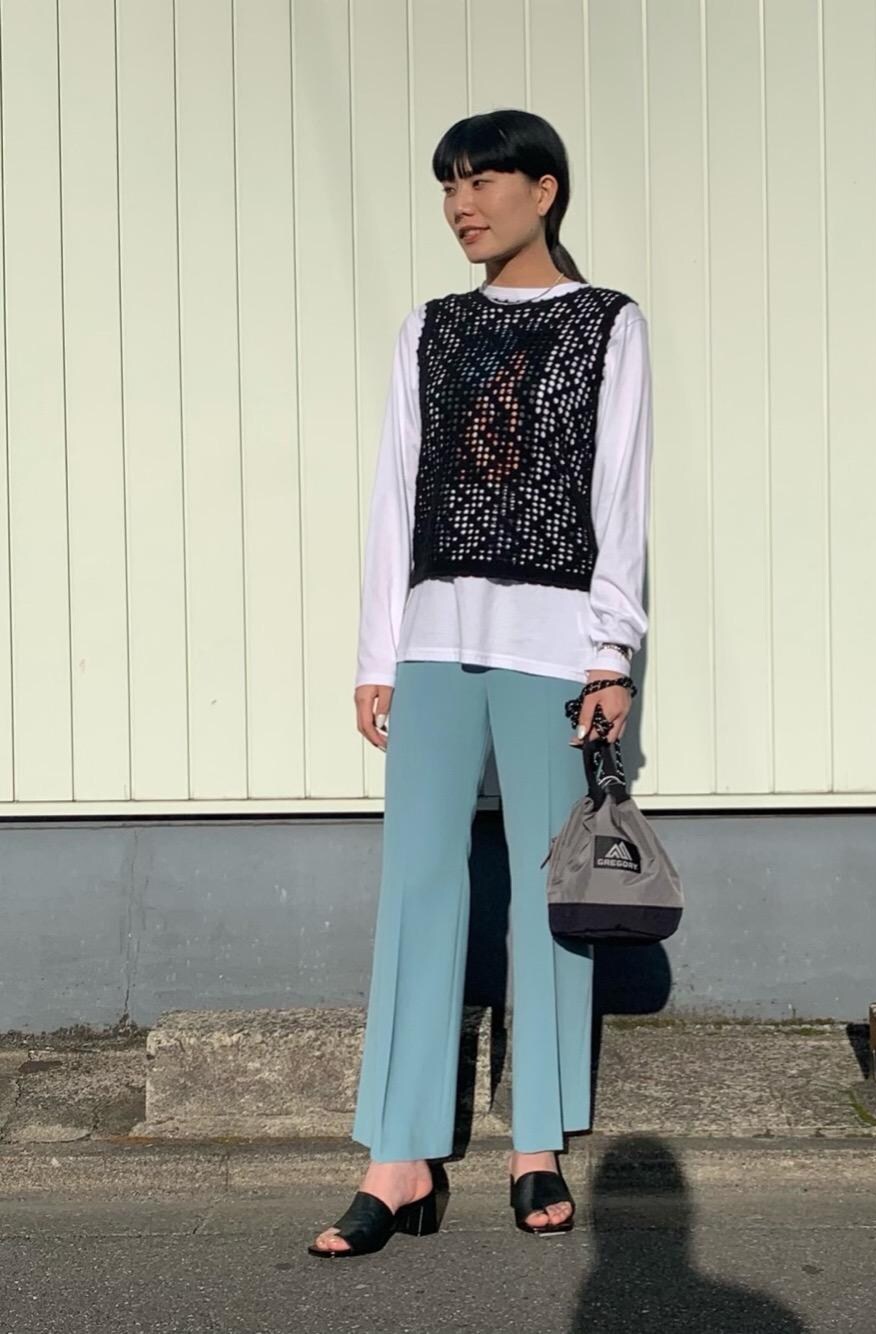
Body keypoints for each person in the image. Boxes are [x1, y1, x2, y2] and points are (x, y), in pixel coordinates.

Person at [309, 108, 652, 1258]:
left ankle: (536, 1141)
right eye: (449, 185)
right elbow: (395, 494)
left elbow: (619, 489)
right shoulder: (430, 328)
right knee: (417, 881)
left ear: (543, 190)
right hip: (433, 638)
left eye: (482, 181)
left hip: (558, 642)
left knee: (550, 888)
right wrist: (376, 652)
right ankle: (397, 1155)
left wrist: (610, 650)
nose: (461, 203)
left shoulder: (607, 323)